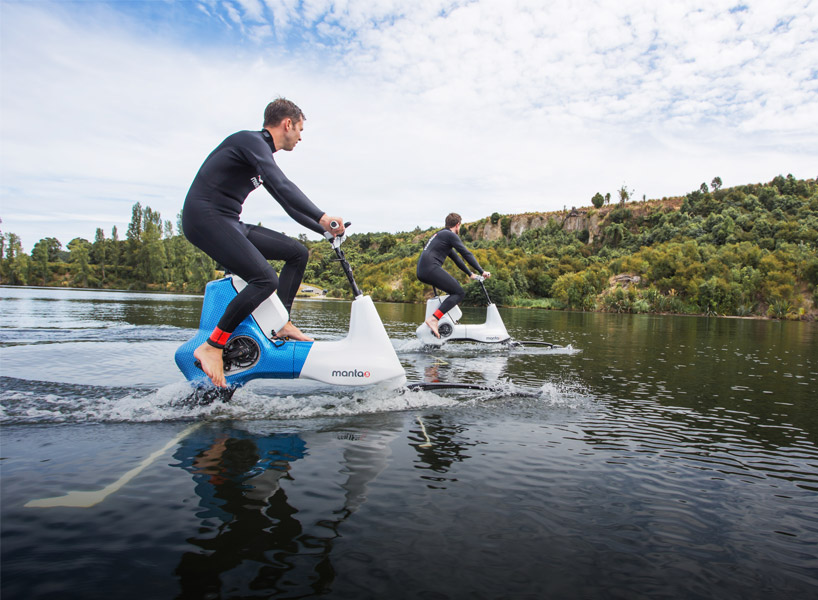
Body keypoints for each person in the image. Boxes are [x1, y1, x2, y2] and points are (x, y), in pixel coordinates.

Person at [182, 98, 345, 388]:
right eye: (300, 129)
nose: (300, 137)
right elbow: (284, 185)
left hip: (229, 220)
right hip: (205, 218)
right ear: (288, 124)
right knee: (265, 279)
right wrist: (323, 217)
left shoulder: (259, 155)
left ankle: (280, 323)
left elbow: (287, 204)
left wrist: (324, 231)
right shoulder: (250, 141)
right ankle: (212, 346)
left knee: (296, 253)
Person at [416, 213, 490, 337]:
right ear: (457, 225)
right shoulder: (450, 235)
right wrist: (481, 271)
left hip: (423, 270)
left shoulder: (442, 235)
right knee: (459, 292)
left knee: (454, 290)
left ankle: (441, 324)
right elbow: (466, 253)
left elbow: (457, 259)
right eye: (459, 226)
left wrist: (470, 273)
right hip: (430, 268)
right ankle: (434, 319)